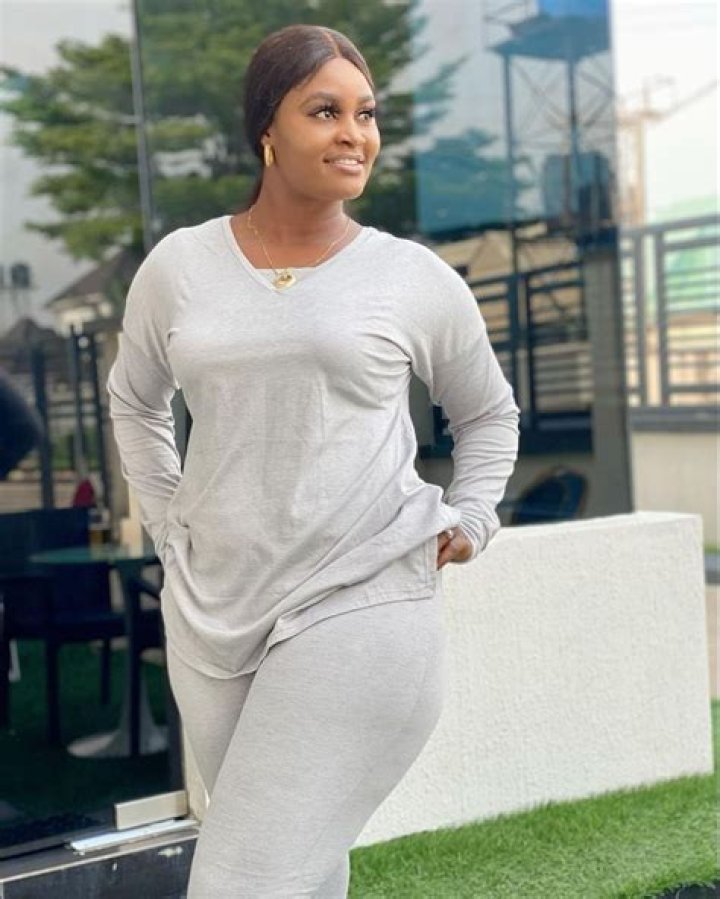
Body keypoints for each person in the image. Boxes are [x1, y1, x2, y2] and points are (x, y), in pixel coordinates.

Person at [107, 23, 519, 898]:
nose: (354, 134)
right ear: (267, 129)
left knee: (238, 881)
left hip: (360, 595)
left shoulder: (409, 276)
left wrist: (475, 514)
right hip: (214, 610)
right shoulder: (180, 266)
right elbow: (134, 400)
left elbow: (487, 411)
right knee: (301, 871)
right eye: (325, 111)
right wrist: (171, 516)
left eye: (366, 114)